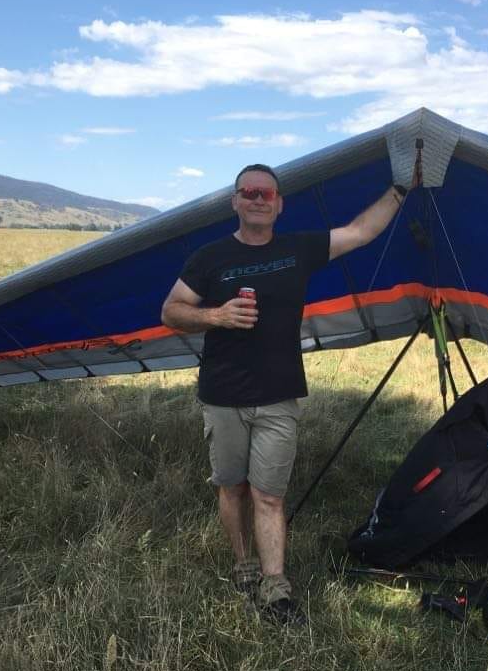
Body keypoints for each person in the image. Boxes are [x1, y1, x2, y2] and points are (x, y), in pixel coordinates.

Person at [161, 163, 408, 623]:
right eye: (249, 192)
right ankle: (244, 565)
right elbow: (171, 311)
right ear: (235, 201)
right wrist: (216, 316)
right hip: (223, 394)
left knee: (269, 495)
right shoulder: (209, 256)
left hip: (278, 394)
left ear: (279, 205)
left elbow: (360, 232)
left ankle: (276, 588)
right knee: (232, 487)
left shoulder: (297, 249)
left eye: (267, 194)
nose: (258, 199)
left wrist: (401, 187)